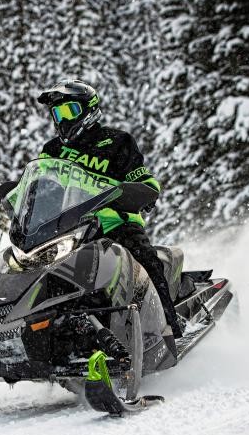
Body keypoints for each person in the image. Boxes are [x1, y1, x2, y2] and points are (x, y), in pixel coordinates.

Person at [36, 78, 184, 338]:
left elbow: (142, 177)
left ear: (89, 109)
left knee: (145, 258)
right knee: (30, 272)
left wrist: (141, 191)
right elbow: (39, 184)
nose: (62, 119)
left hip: (115, 223)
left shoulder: (116, 142)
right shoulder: (52, 150)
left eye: (69, 111)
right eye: (56, 113)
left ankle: (170, 328)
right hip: (64, 229)